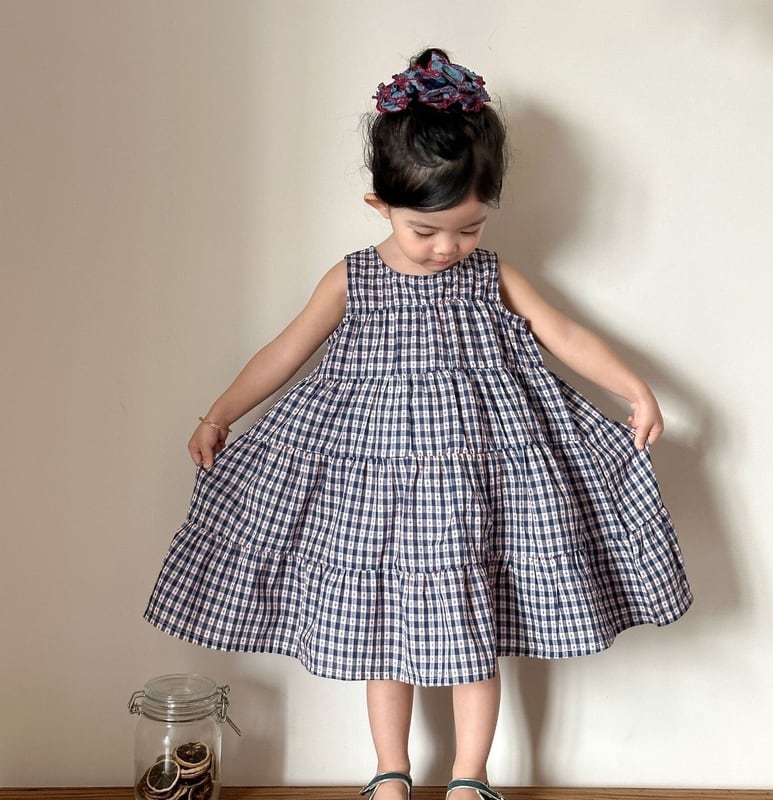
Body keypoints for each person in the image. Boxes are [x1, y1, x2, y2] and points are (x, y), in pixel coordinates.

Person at [145, 48, 692, 800]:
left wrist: (634, 389)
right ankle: (389, 773)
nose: (447, 248)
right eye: (425, 230)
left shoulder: (492, 275)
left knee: (475, 637)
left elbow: (563, 335)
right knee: (383, 638)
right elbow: (285, 352)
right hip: (372, 493)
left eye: (468, 229)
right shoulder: (353, 278)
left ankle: (471, 776)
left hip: (475, 487)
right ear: (381, 206)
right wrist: (219, 415)